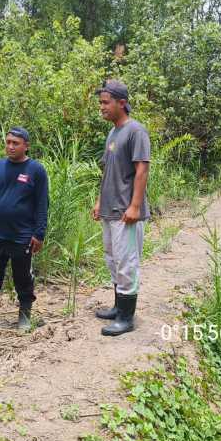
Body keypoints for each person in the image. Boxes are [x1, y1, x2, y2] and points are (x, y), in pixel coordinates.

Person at [0, 127, 49, 332]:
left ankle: (24, 316)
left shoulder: (36, 170)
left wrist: (39, 234)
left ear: (26, 145)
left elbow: (42, 205)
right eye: (8, 142)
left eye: (15, 143)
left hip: (22, 235)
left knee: (23, 277)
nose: (10, 146)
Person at [92, 80, 150, 336]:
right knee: (113, 260)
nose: (101, 107)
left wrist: (135, 206)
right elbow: (107, 171)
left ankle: (127, 318)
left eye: (106, 103)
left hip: (126, 212)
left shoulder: (136, 131)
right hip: (109, 208)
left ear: (121, 103)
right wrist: (98, 201)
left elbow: (142, 169)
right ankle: (118, 307)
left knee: (127, 263)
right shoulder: (113, 133)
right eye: (101, 102)